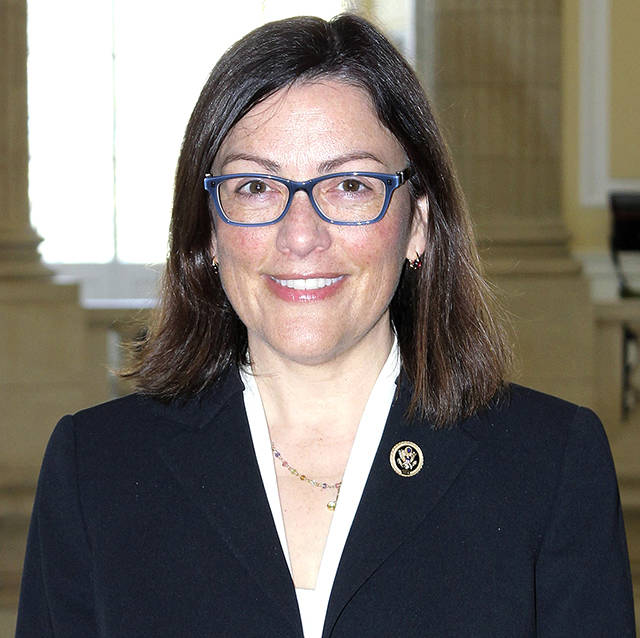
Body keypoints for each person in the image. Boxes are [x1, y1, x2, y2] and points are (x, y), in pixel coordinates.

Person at [17, 13, 635, 638]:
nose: (300, 236)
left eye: (350, 185)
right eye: (255, 186)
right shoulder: (96, 469)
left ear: (418, 224)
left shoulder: (549, 466)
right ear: (207, 231)